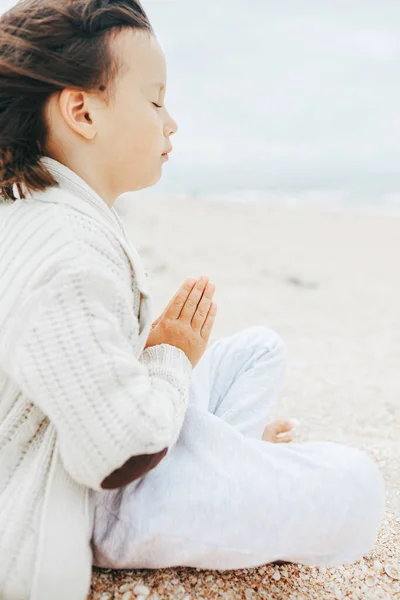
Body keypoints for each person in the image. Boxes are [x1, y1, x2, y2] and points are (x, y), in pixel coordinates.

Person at [0, 2, 385, 599]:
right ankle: (215, 482)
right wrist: (170, 355)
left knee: (257, 351)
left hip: (120, 444)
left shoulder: (54, 212)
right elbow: (115, 450)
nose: (171, 122)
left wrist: (161, 364)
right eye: (154, 101)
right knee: (360, 488)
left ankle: (221, 466)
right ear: (81, 110)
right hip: (107, 500)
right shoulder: (62, 252)